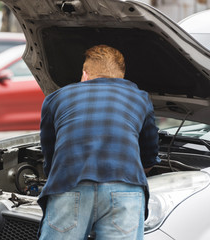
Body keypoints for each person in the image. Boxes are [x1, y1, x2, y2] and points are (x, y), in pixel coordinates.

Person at [38, 44, 160, 240]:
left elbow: (49, 153)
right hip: (125, 188)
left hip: (70, 185)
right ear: (121, 77)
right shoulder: (139, 98)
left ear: (85, 74)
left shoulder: (56, 98)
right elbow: (149, 154)